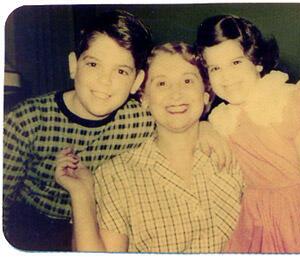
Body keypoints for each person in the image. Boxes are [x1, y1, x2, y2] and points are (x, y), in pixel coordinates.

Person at [3, 10, 231, 251]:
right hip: (32, 230)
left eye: (121, 71)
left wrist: (207, 126)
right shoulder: (25, 121)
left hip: (97, 226)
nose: (105, 81)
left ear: (136, 81)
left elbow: (177, 116)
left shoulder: (140, 117)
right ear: (73, 65)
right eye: (93, 64)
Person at [55, 42, 244, 253]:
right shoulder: (116, 175)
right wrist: (82, 196)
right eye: (161, 84)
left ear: (206, 94)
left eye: (188, 80)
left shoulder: (237, 154)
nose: (176, 94)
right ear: (144, 98)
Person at [194, 14, 300, 253]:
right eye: (215, 68)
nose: (226, 76)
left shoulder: (292, 98)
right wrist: (201, 127)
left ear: (257, 61)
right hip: (256, 221)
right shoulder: (222, 118)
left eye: (235, 63)